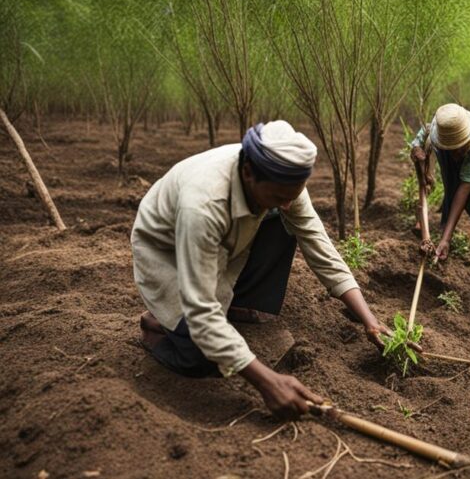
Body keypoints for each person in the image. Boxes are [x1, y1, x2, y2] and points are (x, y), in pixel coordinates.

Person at [132, 120, 391, 419]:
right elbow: (201, 310)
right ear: (247, 173)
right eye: (281, 197)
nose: (288, 202)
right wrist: (266, 382)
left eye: (294, 195)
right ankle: (157, 325)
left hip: (224, 241)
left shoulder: (284, 182)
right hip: (170, 252)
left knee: (285, 222)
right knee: (205, 362)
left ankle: (235, 306)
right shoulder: (204, 204)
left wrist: (369, 321)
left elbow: (318, 245)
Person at [410, 103, 470, 261]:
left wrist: (445, 240)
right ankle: (445, 224)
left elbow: (464, 188)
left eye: (460, 149)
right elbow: (427, 128)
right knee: (451, 187)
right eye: (453, 150)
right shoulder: (442, 126)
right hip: (447, 145)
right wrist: (416, 146)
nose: (456, 155)